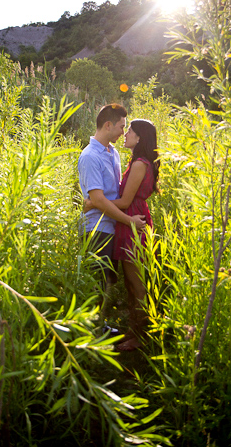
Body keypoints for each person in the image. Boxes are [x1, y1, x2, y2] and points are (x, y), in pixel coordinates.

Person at [85, 119, 159, 351]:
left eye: (130, 131)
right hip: (129, 221)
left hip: (132, 222)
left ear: (139, 139)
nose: (125, 134)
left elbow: (126, 201)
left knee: (137, 284)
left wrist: (94, 204)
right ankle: (134, 329)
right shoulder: (136, 161)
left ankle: (143, 336)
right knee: (130, 282)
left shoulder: (139, 163)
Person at [77, 104, 146, 330]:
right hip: (96, 228)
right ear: (108, 125)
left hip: (111, 227)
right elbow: (97, 200)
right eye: (120, 127)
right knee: (96, 282)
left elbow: (112, 194)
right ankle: (92, 335)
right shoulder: (89, 156)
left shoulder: (113, 152)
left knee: (107, 281)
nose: (122, 132)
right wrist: (129, 221)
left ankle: (100, 327)